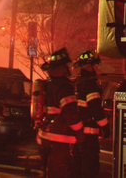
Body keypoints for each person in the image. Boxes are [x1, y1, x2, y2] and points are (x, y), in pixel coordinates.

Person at [37, 48, 82, 178]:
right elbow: (71, 115)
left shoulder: (47, 84)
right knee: (60, 173)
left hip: (44, 138)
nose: (67, 69)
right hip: (60, 141)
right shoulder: (65, 87)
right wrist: (80, 133)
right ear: (61, 68)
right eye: (65, 66)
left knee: (48, 173)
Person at [73, 50, 108, 178]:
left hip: (77, 132)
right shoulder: (91, 84)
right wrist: (105, 127)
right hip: (89, 135)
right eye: (95, 65)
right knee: (90, 167)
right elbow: (95, 109)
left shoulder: (77, 82)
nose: (97, 67)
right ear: (90, 67)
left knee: (77, 165)